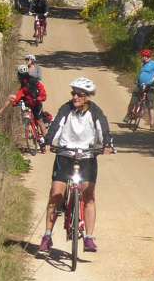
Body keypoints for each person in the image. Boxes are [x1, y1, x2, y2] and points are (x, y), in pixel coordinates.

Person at [39, 77, 113, 253]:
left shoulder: (95, 112)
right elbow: (57, 125)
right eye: (73, 93)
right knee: (56, 194)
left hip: (87, 157)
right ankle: (47, 236)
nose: (75, 97)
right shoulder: (66, 109)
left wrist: (108, 145)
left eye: (79, 94)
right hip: (65, 155)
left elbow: (103, 130)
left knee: (89, 196)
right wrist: (48, 142)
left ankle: (89, 238)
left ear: (87, 96)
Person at [0, 65, 49, 148]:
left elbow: (21, 94)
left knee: (39, 122)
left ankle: (47, 141)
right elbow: (22, 93)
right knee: (38, 121)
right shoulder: (31, 82)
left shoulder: (31, 83)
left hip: (35, 103)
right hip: (31, 103)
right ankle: (0, 111)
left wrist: (16, 102)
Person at [126, 49, 154, 129]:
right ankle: (128, 115)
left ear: (149, 57)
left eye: (146, 56)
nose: (144, 58)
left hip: (150, 87)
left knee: (150, 106)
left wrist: (153, 79)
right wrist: (138, 80)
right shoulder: (143, 64)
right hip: (140, 85)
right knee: (133, 101)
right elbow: (142, 74)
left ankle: (152, 125)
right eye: (143, 56)